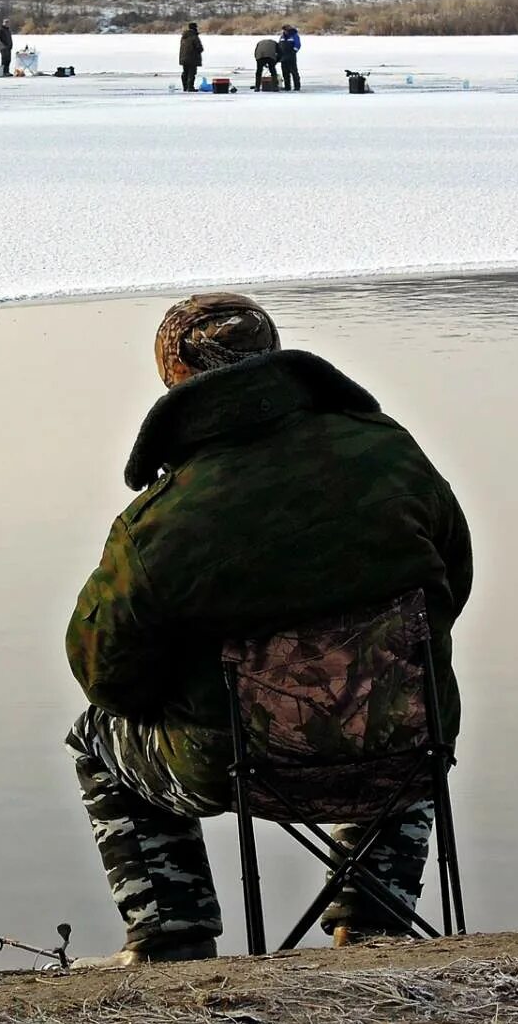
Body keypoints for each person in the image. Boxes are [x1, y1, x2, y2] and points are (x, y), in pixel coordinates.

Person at [65, 293, 473, 967]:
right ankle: (373, 922)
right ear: (277, 357)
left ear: (175, 380)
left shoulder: (163, 520)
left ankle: (173, 935)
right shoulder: (390, 452)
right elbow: (450, 583)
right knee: (396, 699)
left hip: (239, 766)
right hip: (407, 751)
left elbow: (104, 674)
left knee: (95, 736)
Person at [179, 22, 204, 93]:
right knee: (192, 73)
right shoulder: (194, 36)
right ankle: (190, 87)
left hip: (183, 58)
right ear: (195, 28)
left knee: (185, 72)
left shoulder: (184, 36)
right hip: (192, 58)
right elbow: (199, 47)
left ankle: (185, 87)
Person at [278, 24, 302, 91]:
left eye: (285, 30)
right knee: (285, 72)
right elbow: (279, 44)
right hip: (283, 56)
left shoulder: (294, 35)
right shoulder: (282, 36)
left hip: (291, 56)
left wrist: (293, 52)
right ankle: (287, 87)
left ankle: (297, 87)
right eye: (284, 30)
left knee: (294, 72)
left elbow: (298, 45)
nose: (285, 31)